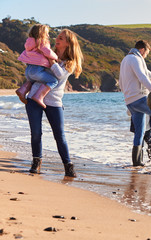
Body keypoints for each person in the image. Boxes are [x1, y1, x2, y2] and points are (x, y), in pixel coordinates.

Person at [25, 29, 83, 177]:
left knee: (60, 135)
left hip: (54, 101)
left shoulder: (70, 62)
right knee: (36, 133)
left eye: (61, 38)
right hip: (34, 98)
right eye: (57, 37)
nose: (57, 39)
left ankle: (68, 165)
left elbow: (60, 74)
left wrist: (51, 60)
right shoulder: (47, 53)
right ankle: (36, 162)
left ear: (68, 43)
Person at [119, 40, 151, 167]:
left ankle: (137, 162)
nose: (146, 56)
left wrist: (126, 98)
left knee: (139, 132)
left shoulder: (125, 60)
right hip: (139, 99)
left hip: (130, 101)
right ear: (142, 50)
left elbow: (120, 82)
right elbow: (142, 77)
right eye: (146, 53)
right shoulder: (135, 59)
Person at [16, 24, 59, 108]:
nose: (48, 35)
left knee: (33, 81)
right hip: (37, 70)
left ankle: (22, 90)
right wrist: (56, 57)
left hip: (28, 71)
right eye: (47, 33)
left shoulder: (29, 42)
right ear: (41, 33)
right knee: (53, 81)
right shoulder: (42, 42)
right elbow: (48, 52)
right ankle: (39, 96)